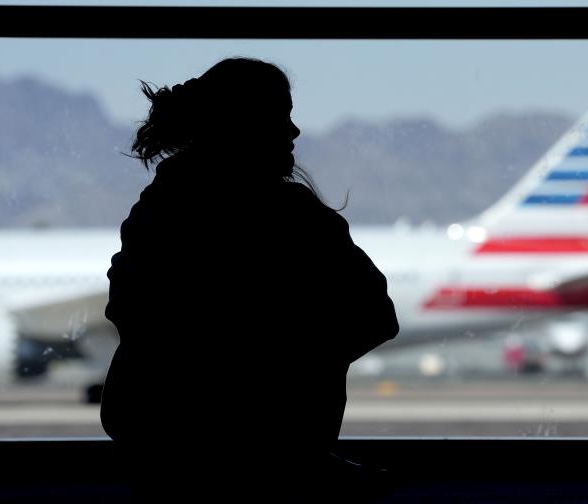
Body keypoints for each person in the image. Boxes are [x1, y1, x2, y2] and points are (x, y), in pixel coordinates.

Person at [99, 57, 399, 498]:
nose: (293, 132)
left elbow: (134, 317)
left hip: (159, 457)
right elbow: (375, 315)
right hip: (276, 465)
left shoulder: (157, 212)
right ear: (242, 124)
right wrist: (295, 386)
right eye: (281, 116)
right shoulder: (292, 217)